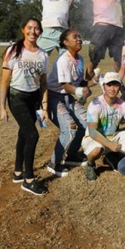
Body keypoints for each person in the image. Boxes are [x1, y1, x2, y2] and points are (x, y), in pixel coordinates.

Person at [0, 17, 49, 195]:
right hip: (17, 98)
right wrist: (2, 107)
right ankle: (28, 179)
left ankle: (18, 172)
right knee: (32, 135)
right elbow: (5, 82)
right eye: (29, 28)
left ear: (40, 32)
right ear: (23, 30)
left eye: (36, 29)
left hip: (34, 98)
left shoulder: (43, 55)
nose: (33, 32)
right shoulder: (13, 51)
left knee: (23, 133)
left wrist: (44, 107)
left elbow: (44, 84)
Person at [47, 29, 98, 177]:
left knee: (85, 121)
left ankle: (71, 155)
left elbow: (79, 82)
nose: (79, 39)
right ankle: (53, 163)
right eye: (75, 37)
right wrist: (81, 92)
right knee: (70, 127)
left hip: (68, 97)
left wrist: (94, 81)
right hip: (54, 97)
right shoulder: (63, 59)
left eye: (80, 36)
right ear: (65, 42)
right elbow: (66, 86)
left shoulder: (80, 59)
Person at [81, 72, 125, 180]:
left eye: (115, 85)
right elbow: (92, 131)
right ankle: (90, 164)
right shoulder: (96, 104)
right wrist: (109, 145)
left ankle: (113, 157)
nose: (112, 88)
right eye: (109, 85)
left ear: (119, 87)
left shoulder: (123, 105)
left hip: (113, 136)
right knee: (97, 149)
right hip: (95, 137)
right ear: (104, 86)